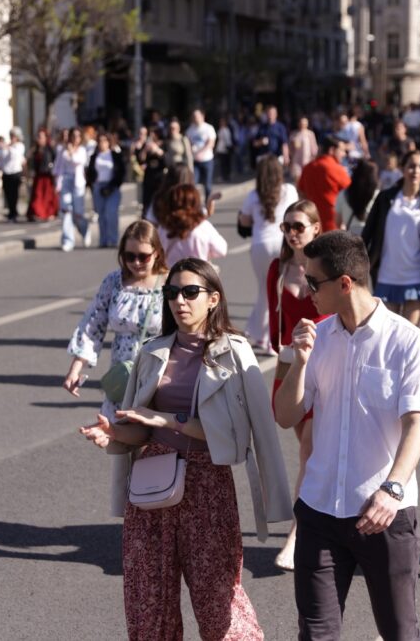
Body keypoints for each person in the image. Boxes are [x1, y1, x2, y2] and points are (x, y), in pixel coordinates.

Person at [78, 258, 292, 640]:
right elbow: (141, 430)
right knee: (148, 606)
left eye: (190, 292)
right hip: (152, 487)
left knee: (219, 604)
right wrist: (115, 434)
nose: (180, 301)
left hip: (207, 487)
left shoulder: (234, 352)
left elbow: (240, 435)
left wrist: (169, 421)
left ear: (213, 299)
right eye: (172, 292)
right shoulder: (152, 351)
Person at [274, 230, 420, 640]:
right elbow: (285, 415)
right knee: (316, 634)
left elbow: (417, 423)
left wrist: (392, 489)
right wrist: (299, 362)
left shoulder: (407, 342)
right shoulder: (318, 337)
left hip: (383, 513)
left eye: (314, 283)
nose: (306, 291)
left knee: (399, 631)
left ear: (345, 283)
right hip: (319, 509)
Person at [266, 199, 329, 571]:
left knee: (308, 452)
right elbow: (275, 323)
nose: (291, 233)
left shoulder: (326, 267)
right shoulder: (277, 268)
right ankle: (324, 519)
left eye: (299, 226)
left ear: (316, 228)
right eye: (286, 226)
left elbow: (337, 313)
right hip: (290, 366)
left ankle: (296, 534)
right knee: (313, 454)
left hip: (324, 365)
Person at [65, 220, 168, 419]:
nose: (136, 262)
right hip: (123, 378)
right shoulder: (113, 282)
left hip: (158, 378)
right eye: (130, 256)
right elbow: (92, 325)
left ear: (156, 253)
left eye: (143, 256)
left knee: (153, 435)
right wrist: (75, 369)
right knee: (117, 434)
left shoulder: (169, 283)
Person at [362, 150, 420, 325]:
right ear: (402, 168)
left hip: (416, 278)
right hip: (386, 276)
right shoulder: (385, 198)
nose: (416, 171)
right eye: (412, 166)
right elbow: (367, 234)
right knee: (386, 332)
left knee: (410, 333)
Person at [238, 155, 299, 352]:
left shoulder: (253, 196)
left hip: (260, 245)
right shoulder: (289, 191)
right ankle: (266, 335)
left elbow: (244, 221)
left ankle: (259, 332)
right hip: (282, 243)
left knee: (264, 290)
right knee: (278, 292)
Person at [157, 184, 227, 266]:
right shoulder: (202, 227)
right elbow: (222, 250)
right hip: (198, 271)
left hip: (171, 272)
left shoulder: (163, 228)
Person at [296, 136, 351, 232]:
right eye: (342, 150)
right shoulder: (336, 169)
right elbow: (351, 193)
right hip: (333, 225)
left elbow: (301, 193)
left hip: (312, 225)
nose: (344, 154)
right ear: (332, 150)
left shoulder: (307, 168)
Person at [86, 133, 126, 248]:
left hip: (112, 187)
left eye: (104, 141)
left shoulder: (114, 155)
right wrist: (92, 183)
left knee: (111, 213)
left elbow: (121, 171)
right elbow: (90, 172)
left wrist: (113, 185)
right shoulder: (94, 156)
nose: (102, 143)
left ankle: (113, 239)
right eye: (100, 141)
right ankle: (103, 240)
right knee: (101, 215)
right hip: (98, 186)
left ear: (109, 142)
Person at [53, 127, 91, 252]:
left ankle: (85, 230)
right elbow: (58, 167)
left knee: (78, 214)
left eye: (78, 136)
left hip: (78, 182)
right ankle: (68, 240)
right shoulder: (62, 149)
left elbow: (78, 161)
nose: (75, 138)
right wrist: (57, 183)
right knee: (66, 211)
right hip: (66, 181)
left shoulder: (82, 150)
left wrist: (71, 152)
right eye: (73, 135)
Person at [335, 159, 379, 237]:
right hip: (371, 238)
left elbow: (338, 221)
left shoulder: (343, 194)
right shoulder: (377, 195)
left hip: (351, 237)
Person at [0, 128, 26, 222]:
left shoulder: (19, 146)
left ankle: (13, 213)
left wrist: (8, 147)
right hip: (6, 173)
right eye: (11, 136)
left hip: (15, 173)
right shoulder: (6, 146)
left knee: (14, 194)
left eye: (13, 136)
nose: (12, 138)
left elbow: (15, 155)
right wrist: (0, 147)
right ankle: (11, 211)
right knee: (7, 194)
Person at [25, 128, 58, 222]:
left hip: (47, 176)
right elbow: (31, 161)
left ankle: (49, 213)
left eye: (41, 137)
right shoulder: (35, 150)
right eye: (38, 137)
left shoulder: (49, 149)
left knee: (48, 196)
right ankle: (37, 212)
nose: (39, 139)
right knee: (37, 195)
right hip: (38, 176)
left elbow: (55, 160)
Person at [186, 109, 216, 199]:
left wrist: (201, 152)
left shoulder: (208, 128)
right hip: (195, 161)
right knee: (193, 183)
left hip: (207, 159)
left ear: (202, 117)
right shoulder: (190, 130)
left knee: (207, 185)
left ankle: (208, 202)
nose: (195, 118)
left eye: (197, 116)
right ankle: (195, 202)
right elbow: (187, 143)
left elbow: (211, 143)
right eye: (194, 117)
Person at [289, 116, 319, 184]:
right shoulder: (294, 134)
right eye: (301, 123)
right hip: (296, 160)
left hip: (307, 160)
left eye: (304, 124)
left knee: (307, 180)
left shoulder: (310, 134)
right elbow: (290, 148)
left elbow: (314, 148)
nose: (303, 125)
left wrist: (314, 158)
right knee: (297, 180)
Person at [214, 116, 233, 182]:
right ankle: (225, 176)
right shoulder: (222, 130)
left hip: (224, 149)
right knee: (224, 164)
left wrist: (228, 147)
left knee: (224, 164)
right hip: (222, 149)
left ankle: (225, 176)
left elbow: (227, 140)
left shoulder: (225, 130)